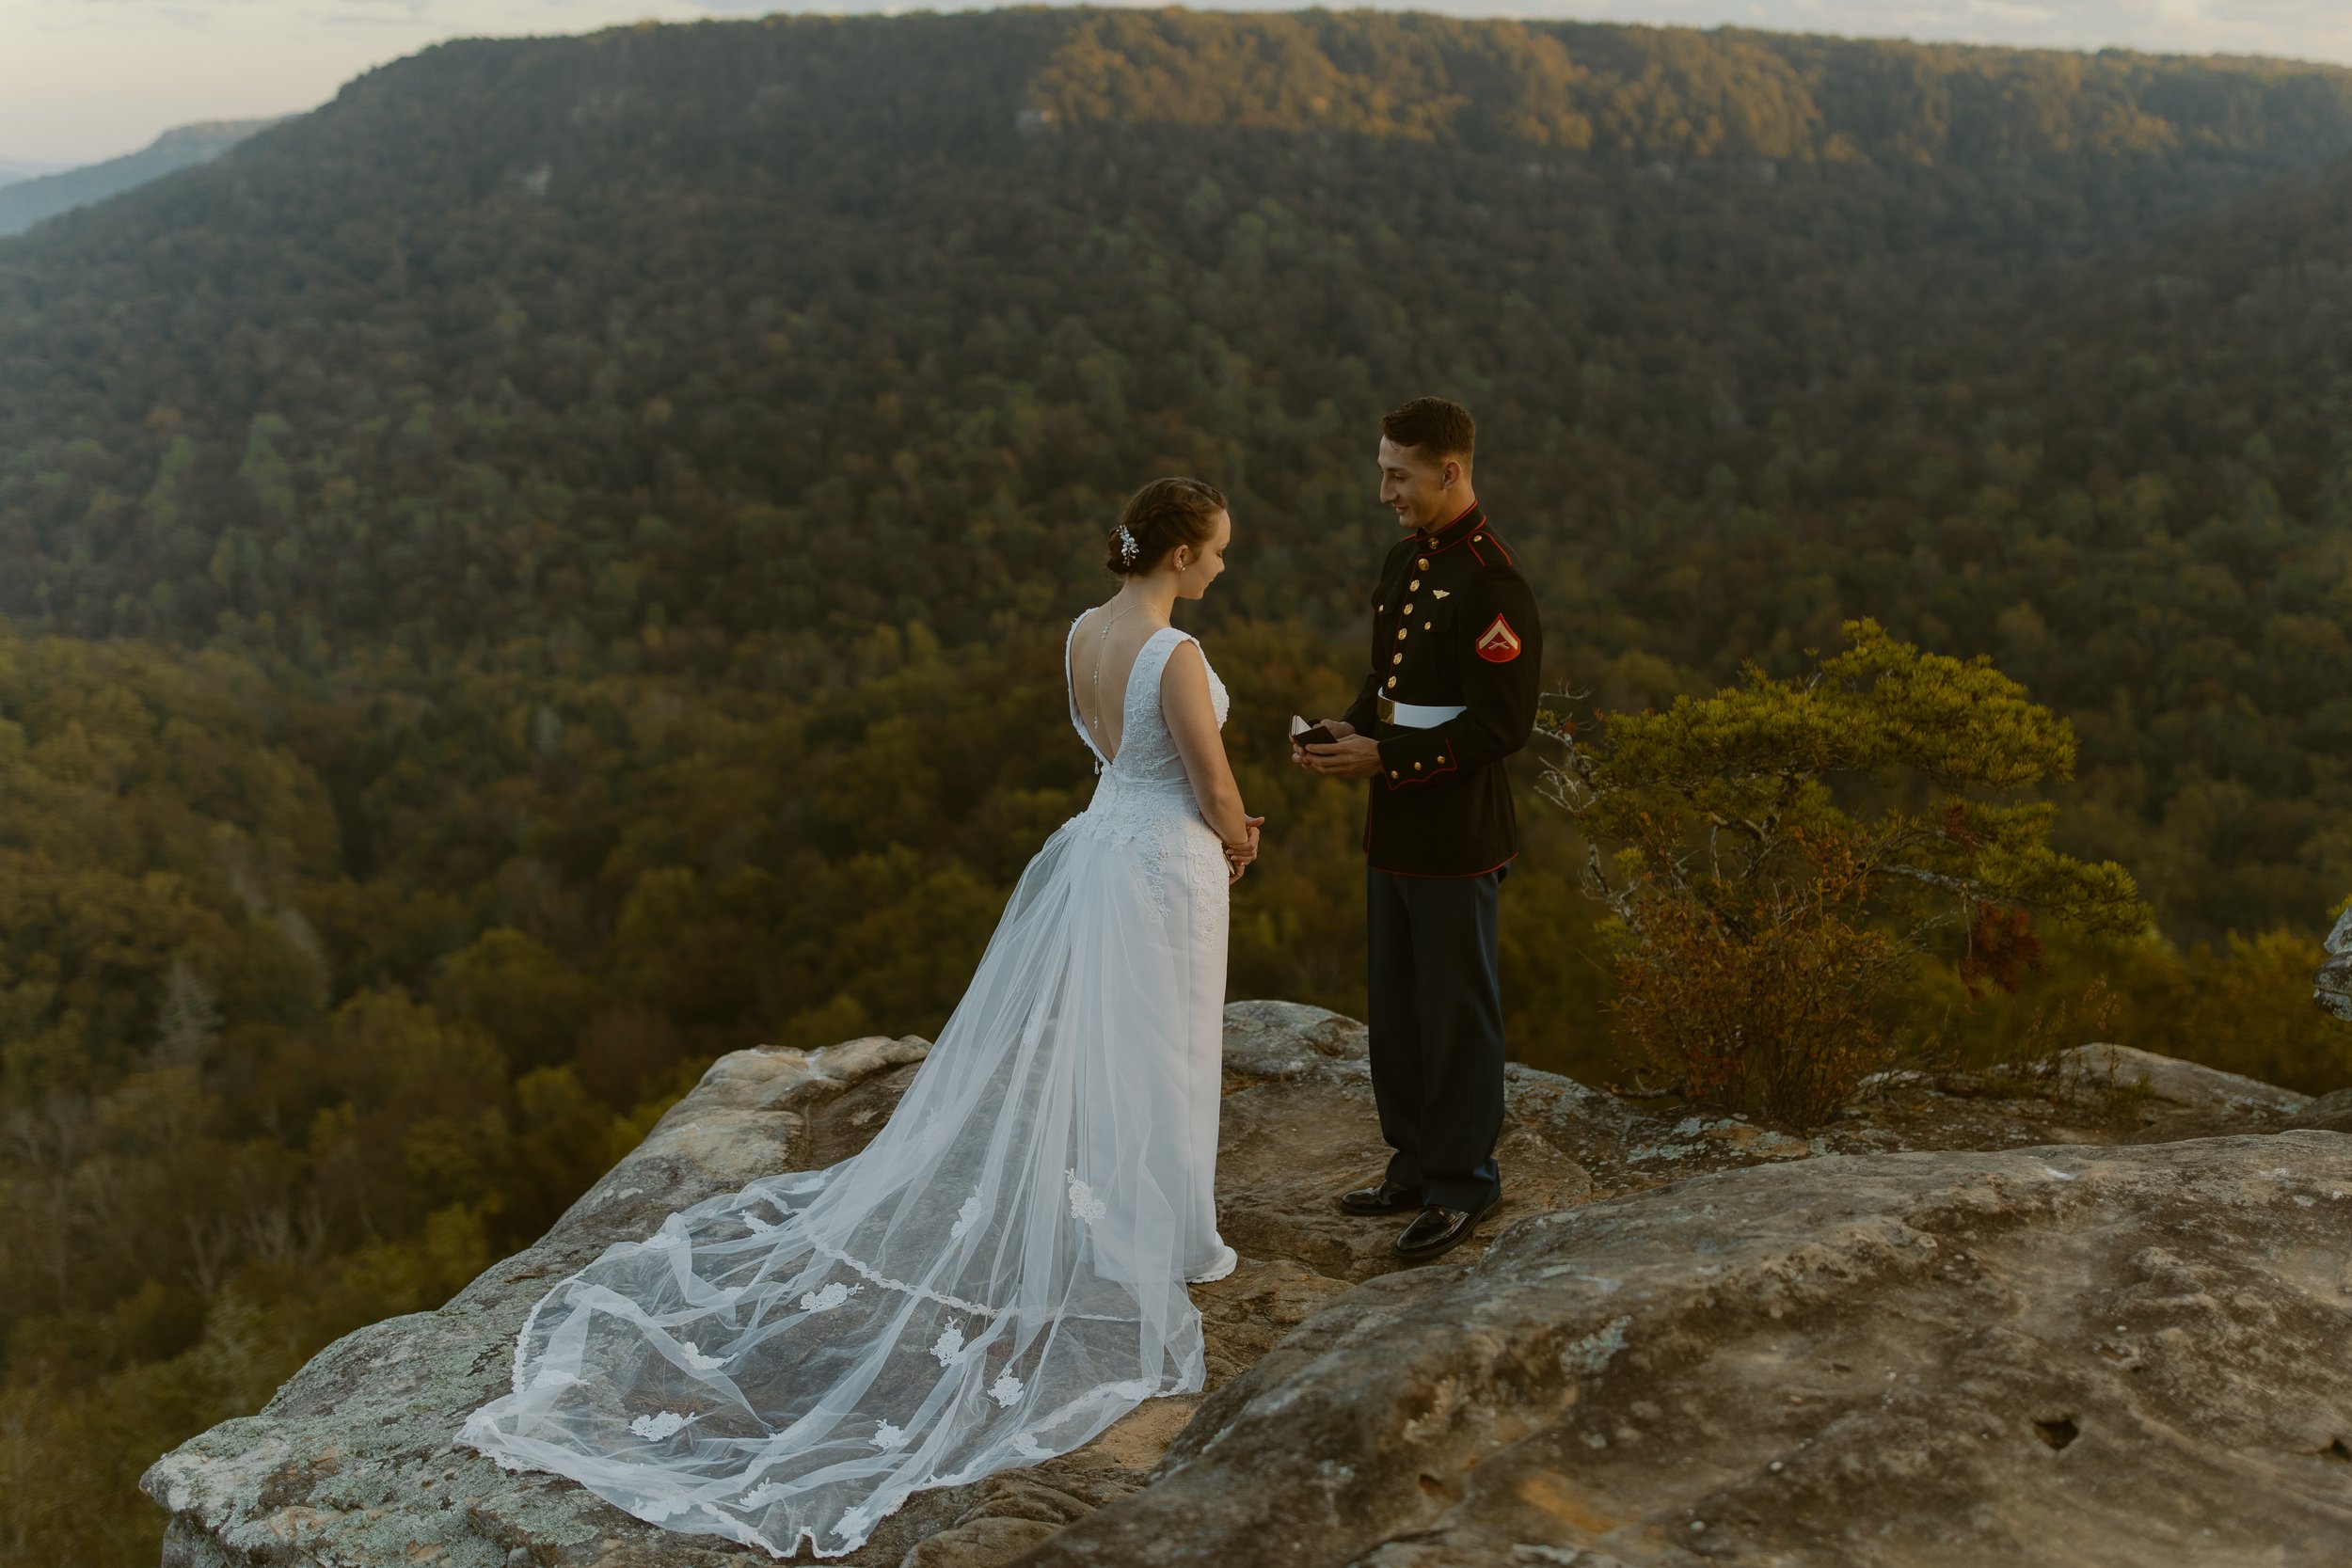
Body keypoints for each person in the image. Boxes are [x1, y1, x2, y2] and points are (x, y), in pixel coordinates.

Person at [459, 477, 1263, 1559]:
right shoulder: (1179, 655)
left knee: (1110, 1046)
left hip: (1098, 848)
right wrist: (1242, 836)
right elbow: (1210, 785)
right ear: (1176, 555)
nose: (1220, 568)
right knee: (1162, 1047)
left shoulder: (1083, 632)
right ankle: (1166, 1233)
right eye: (1213, 553)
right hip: (1166, 861)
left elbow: (1111, 754)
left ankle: (1132, 1220)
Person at [1293, 397, 1542, 1263]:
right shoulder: (1406, 562)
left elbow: (1500, 727)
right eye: (1382, 472)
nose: (1385, 491)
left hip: (1457, 829)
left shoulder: (1493, 581)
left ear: (1451, 471)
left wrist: (1388, 761)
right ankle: (1412, 1162)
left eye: (1398, 476)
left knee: (1456, 1011)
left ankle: (1463, 1180)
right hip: (1392, 825)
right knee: (1396, 1007)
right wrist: (1342, 730)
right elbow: (1384, 684)